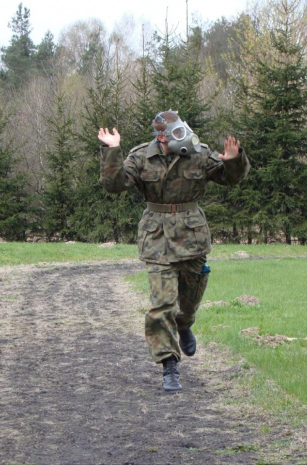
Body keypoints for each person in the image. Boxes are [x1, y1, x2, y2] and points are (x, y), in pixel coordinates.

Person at [98, 110, 249, 392]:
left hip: (192, 237)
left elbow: (231, 178)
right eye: (175, 133)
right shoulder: (143, 155)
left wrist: (233, 161)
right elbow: (114, 185)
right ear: (161, 137)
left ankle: (185, 324)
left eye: (183, 130)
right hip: (156, 238)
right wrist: (113, 150)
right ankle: (169, 365)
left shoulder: (199, 154)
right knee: (162, 303)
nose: (183, 137)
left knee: (188, 301)